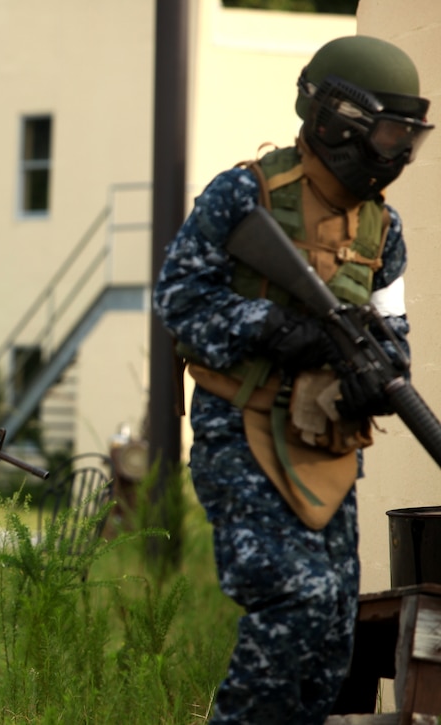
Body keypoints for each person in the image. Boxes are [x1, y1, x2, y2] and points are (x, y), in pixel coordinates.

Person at [153, 35, 433, 724]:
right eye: (389, 132)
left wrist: (377, 373)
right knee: (294, 604)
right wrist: (278, 330)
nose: (398, 151)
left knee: (333, 634)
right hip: (240, 430)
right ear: (338, 120)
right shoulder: (245, 195)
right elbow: (178, 302)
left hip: (327, 447)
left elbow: (391, 334)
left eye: (409, 136)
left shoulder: (382, 229)